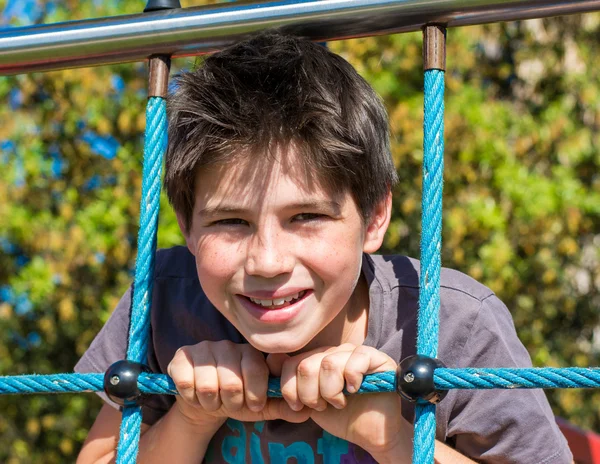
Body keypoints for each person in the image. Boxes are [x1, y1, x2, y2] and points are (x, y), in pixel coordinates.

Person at [75, 31, 572, 463]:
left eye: (306, 217)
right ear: (186, 224)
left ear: (375, 216)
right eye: (230, 221)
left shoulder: (451, 323)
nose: (267, 261)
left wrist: (393, 439)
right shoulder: (162, 303)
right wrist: (190, 417)